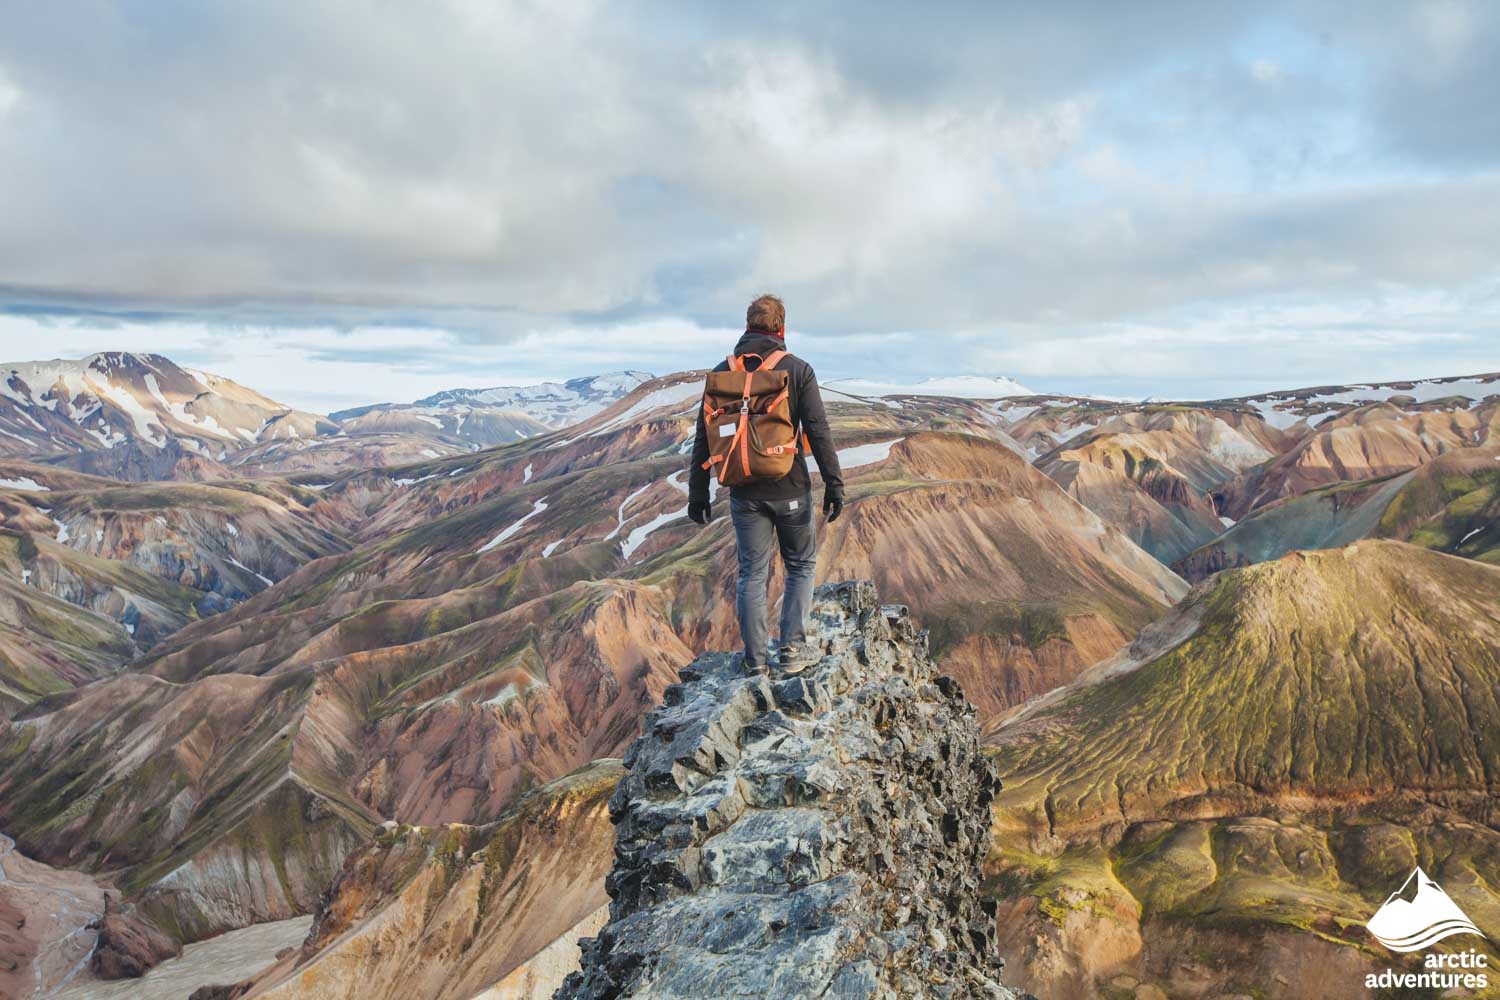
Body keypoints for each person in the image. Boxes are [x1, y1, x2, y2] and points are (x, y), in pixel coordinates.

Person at [687, 294, 844, 674]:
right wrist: (834, 484)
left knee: (751, 574)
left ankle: (755, 662)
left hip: (743, 493)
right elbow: (818, 432)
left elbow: (703, 438)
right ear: (781, 328)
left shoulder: (721, 373)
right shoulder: (797, 370)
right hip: (790, 488)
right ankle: (791, 651)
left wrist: (698, 493)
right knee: (800, 566)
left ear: (746, 326)